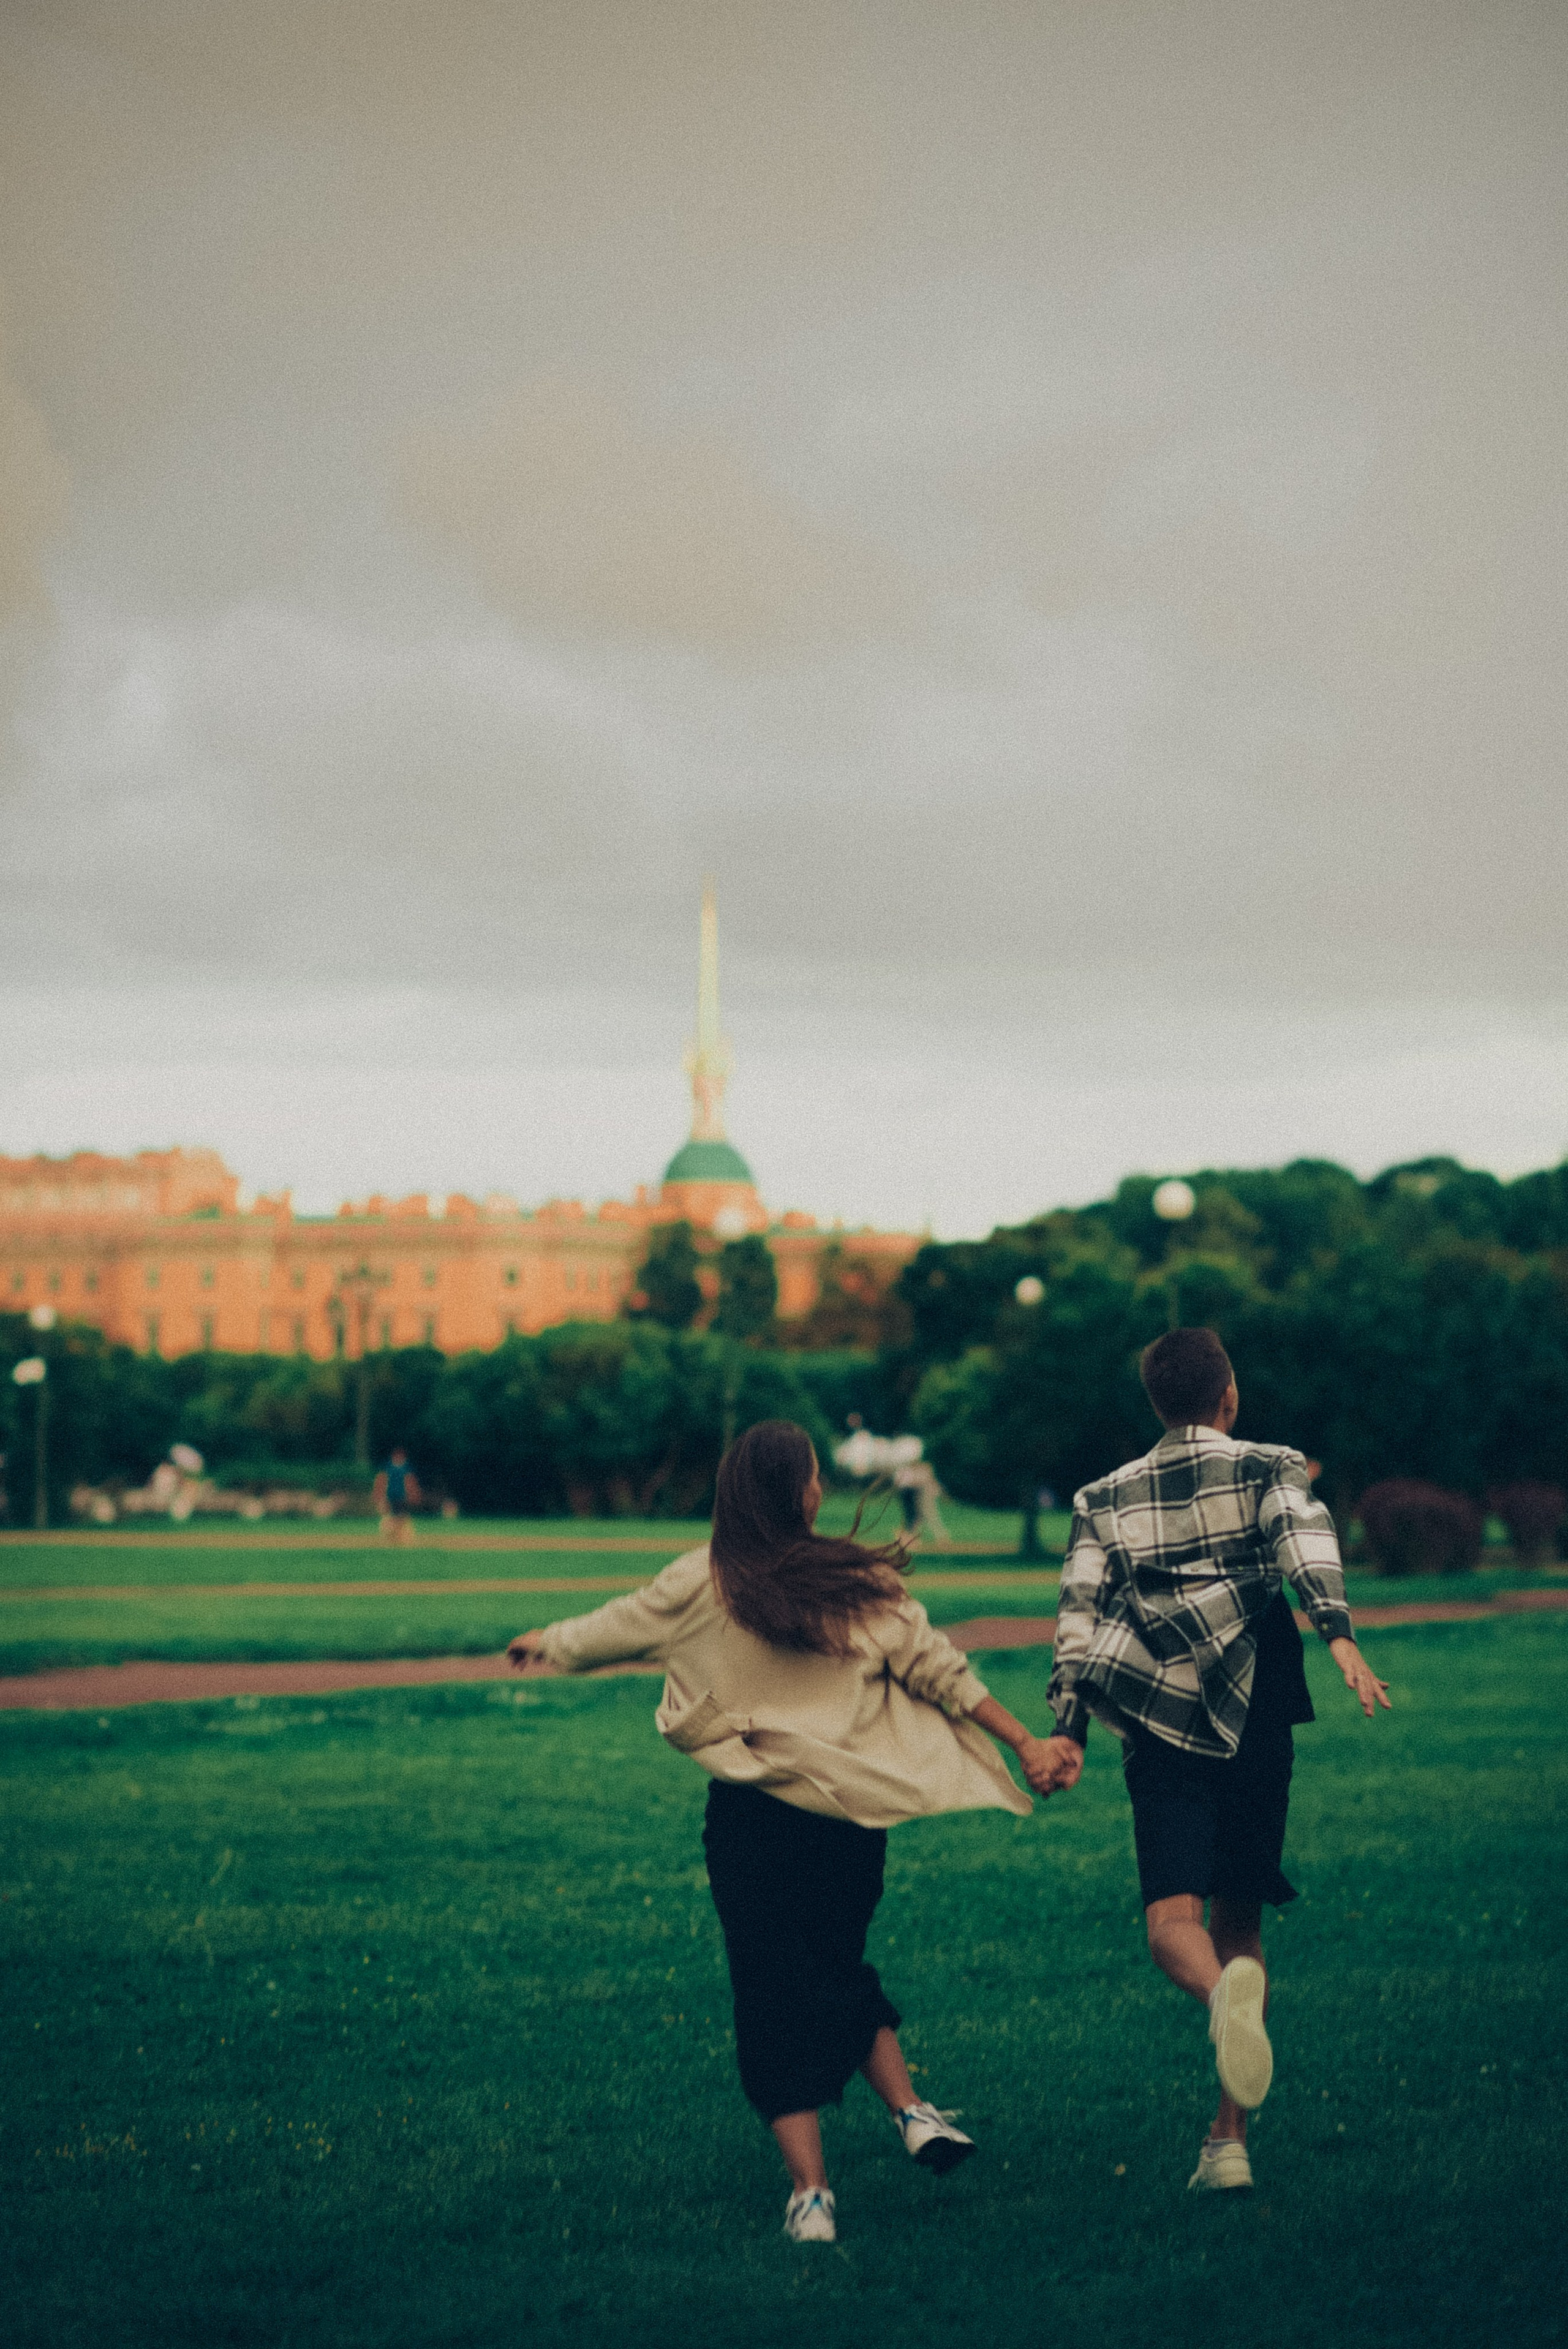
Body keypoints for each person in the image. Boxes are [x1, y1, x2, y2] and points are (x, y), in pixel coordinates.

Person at [507, 1418, 1059, 2244]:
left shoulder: (702, 1579)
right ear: (801, 1490)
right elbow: (939, 1668)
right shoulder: (856, 1579)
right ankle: (911, 2109)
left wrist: (545, 1640)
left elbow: (610, 1629)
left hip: (753, 1824)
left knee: (772, 1988)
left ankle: (812, 2195)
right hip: (848, 1824)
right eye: (811, 1475)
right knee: (835, 1966)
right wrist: (1024, 1740)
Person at [1030, 1328, 1390, 2195]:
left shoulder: (1101, 1495)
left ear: (1157, 1402)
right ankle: (1227, 2140)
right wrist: (1337, 1631)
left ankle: (1217, 1994)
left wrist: (1071, 1723)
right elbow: (1304, 1538)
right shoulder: (1272, 1464)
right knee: (1242, 1917)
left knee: (1171, 1923)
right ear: (1228, 1397)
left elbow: (1080, 1612)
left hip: (1159, 1714)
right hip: (1260, 1705)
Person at [372, 1446, 420, 1546]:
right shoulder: (389, 1468)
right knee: (396, 1518)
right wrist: (380, 1495)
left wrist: (413, 1493)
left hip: (401, 1497)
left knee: (401, 1517)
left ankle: (399, 1537)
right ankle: (396, 1537)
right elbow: (382, 1481)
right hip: (391, 1496)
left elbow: (409, 1482)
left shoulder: (405, 1468)